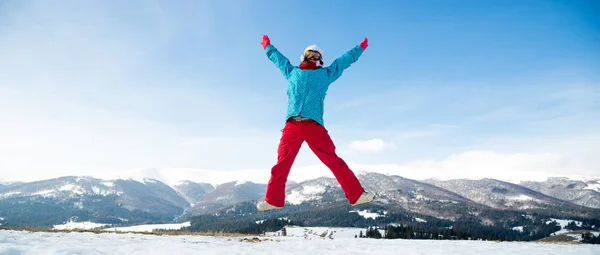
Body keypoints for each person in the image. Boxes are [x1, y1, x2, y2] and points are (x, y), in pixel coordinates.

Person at [256, 34, 375, 212]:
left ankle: (356, 196)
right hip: (292, 126)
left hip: (314, 126)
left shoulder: (325, 74)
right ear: (304, 56)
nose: (313, 56)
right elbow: (279, 60)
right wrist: (268, 47)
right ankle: (273, 200)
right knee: (281, 164)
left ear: (320, 60)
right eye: (310, 54)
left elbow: (342, 62)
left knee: (333, 160)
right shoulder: (292, 72)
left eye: (317, 55)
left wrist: (359, 49)